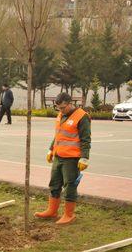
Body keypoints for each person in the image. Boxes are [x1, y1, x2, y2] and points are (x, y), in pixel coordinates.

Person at [34, 92, 91, 225]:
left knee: (70, 185)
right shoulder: (61, 114)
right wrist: (51, 149)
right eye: (58, 108)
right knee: (54, 184)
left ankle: (69, 214)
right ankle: (52, 210)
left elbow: (86, 139)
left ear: (70, 104)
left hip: (72, 159)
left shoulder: (82, 117)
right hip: (58, 156)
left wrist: (84, 158)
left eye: (63, 107)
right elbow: (58, 134)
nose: (60, 110)